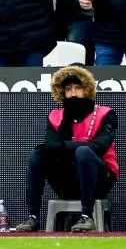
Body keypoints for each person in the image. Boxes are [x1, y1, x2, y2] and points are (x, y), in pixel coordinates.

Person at [13, 66, 118, 234]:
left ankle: (87, 216)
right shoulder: (55, 116)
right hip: (66, 180)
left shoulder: (106, 114)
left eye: (78, 88)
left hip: (100, 179)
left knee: (84, 153)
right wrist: (67, 119)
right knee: (39, 155)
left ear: (87, 89)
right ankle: (32, 217)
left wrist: (63, 146)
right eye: (68, 89)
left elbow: (98, 147)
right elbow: (51, 147)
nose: (73, 93)